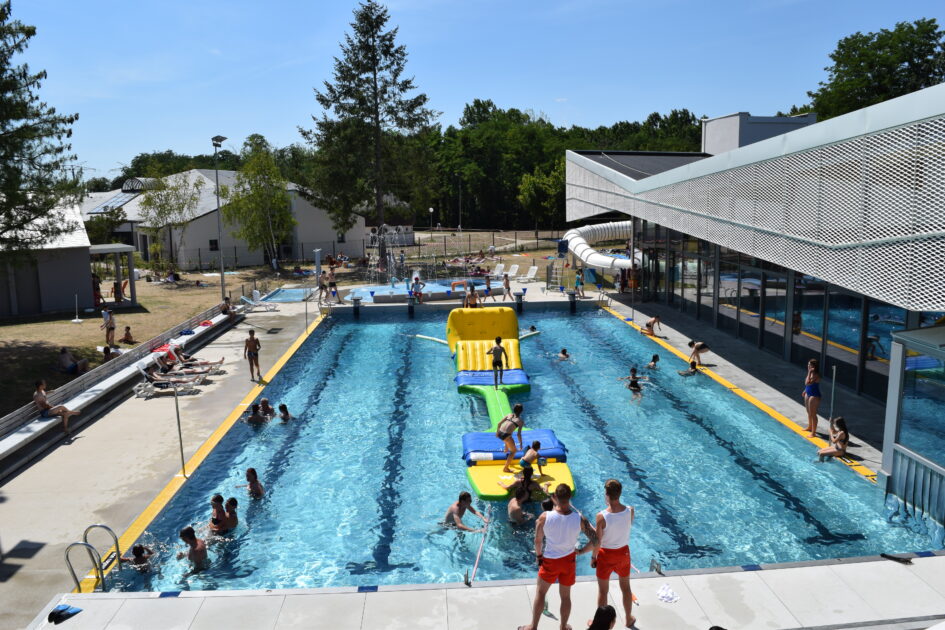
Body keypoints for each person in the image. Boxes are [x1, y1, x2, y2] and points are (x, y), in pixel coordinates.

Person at [519, 484, 597, 630]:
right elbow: (596, 540)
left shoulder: (545, 517)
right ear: (570, 498)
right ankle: (562, 626)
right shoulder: (579, 519)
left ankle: (533, 626)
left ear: (555, 496)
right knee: (566, 597)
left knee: (541, 593)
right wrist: (580, 551)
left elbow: (537, 541)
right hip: (568, 561)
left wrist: (539, 555)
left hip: (549, 560)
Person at [593, 479, 635, 628]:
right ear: (620, 493)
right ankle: (629, 618)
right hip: (623, 553)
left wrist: (593, 557)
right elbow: (626, 527)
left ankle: (600, 625)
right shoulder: (630, 510)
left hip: (606, 555)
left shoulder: (601, 516)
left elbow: (597, 541)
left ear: (606, 495)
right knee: (626, 588)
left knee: (603, 591)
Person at [496, 403, 525, 472]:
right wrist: (521, 444)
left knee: (509, 437)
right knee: (513, 451)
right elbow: (518, 434)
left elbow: (499, 424)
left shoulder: (509, 415)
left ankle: (506, 449)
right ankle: (505, 468)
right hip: (506, 436)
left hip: (500, 432)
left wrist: (497, 433)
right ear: (521, 411)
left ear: (513, 409)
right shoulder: (520, 421)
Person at [803, 358, 822, 437]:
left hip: (814, 395)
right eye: (808, 364)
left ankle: (813, 433)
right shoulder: (810, 373)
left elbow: (807, 382)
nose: (808, 366)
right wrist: (805, 390)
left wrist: (809, 371)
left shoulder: (816, 375)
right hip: (808, 393)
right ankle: (810, 427)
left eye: (809, 365)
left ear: (813, 366)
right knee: (808, 411)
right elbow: (807, 385)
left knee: (813, 414)